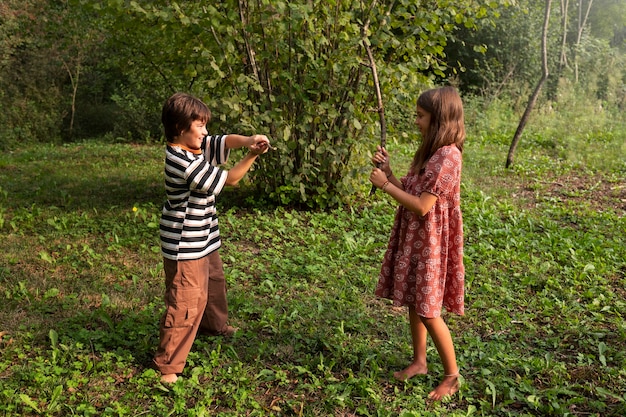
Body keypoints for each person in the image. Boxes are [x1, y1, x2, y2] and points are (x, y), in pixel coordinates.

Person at [154, 92, 270, 383]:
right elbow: (230, 179)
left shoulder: (192, 146)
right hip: (185, 244)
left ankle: (214, 326)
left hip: (204, 236)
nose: (205, 132)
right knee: (185, 300)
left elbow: (222, 140)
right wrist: (252, 155)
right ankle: (168, 365)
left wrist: (247, 140)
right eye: (200, 125)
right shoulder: (181, 160)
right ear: (181, 128)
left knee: (213, 283)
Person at [369, 86, 465, 400]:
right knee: (415, 299)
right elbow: (410, 190)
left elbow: (423, 205)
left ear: (438, 119)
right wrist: (389, 173)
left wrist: (384, 186)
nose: (416, 121)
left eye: (420, 116)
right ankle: (420, 362)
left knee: (428, 309)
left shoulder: (448, 155)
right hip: (419, 236)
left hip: (432, 240)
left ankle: (452, 376)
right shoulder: (433, 151)